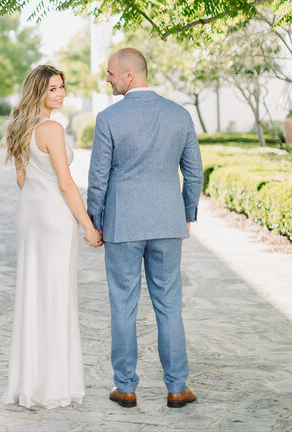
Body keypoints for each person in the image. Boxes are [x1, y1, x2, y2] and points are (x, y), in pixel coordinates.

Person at [87, 48, 203, 408]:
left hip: (123, 224)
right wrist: (186, 214)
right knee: (169, 304)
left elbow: (97, 180)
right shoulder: (179, 115)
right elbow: (195, 173)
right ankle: (177, 387)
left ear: (129, 75)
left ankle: (125, 387)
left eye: (110, 73)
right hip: (167, 221)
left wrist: (96, 221)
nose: (107, 78)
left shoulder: (108, 118)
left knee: (123, 304)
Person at [1, 65, 102, 409]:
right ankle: (54, 385)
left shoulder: (19, 127)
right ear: (38, 92)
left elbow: (21, 179)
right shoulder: (52, 129)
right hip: (54, 216)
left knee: (33, 292)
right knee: (56, 293)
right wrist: (88, 225)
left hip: (29, 212)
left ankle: (30, 383)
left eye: (62, 87)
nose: (60, 94)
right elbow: (66, 183)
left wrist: (37, 201)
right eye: (53, 89)